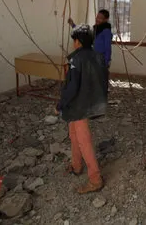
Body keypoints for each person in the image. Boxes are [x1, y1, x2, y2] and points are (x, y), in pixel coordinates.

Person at [57, 23, 108, 194]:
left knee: (83, 140)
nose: (73, 43)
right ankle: (76, 165)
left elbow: (71, 88)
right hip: (89, 102)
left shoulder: (76, 60)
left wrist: (61, 104)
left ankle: (95, 179)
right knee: (73, 135)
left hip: (79, 105)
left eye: (74, 40)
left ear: (77, 42)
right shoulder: (98, 56)